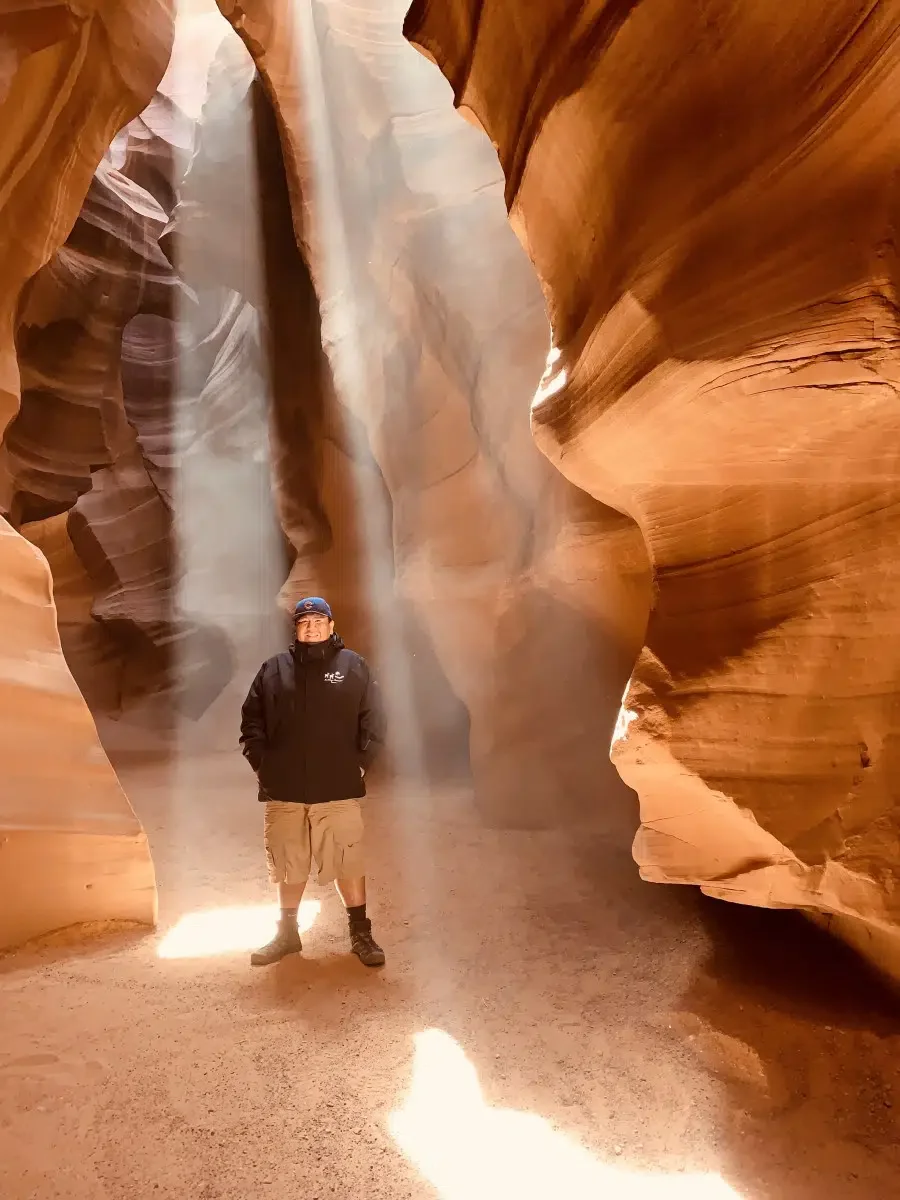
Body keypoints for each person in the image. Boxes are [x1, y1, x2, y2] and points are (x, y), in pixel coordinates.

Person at [239, 597, 387, 967]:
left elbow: (375, 721)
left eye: (319, 620)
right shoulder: (274, 670)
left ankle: (360, 932)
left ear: (331, 626)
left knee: (346, 857)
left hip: (337, 787)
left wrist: (361, 766)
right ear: (296, 628)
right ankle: (287, 934)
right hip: (284, 788)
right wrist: (261, 765)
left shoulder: (354, 667)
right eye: (305, 621)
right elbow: (251, 721)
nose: (312, 627)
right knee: (289, 860)